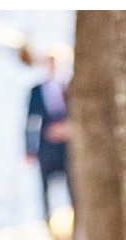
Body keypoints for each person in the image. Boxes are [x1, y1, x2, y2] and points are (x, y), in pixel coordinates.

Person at [25, 54, 73, 225]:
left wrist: (68, 129)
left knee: (72, 190)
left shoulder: (67, 89)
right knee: (45, 191)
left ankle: (75, 231)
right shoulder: (36, 91)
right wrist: (29, 150)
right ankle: (48, 226)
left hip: (67, 149)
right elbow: (31, 122)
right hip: (46, 149)